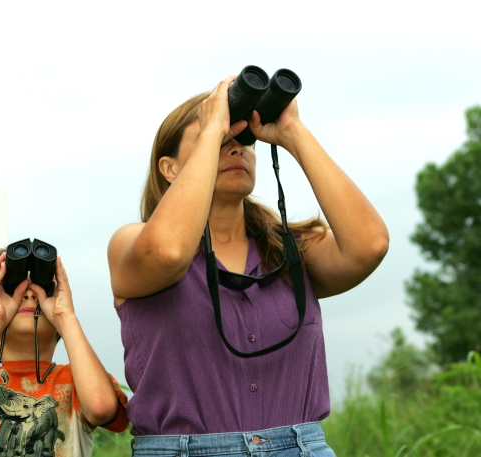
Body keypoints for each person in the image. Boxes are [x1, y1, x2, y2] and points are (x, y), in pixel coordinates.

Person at [107, 75, 389, 456]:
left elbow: (369, 245)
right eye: (222, 141)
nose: (236, 149)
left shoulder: (290, 251)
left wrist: (292, 131)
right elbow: (170, 252)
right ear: (169, 168)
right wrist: (212, 127)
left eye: (244, 141)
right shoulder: (131, 245)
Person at [0, 249, 129, 456]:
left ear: (60, 326)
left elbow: (101, 408)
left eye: (42, 289)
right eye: (11, 290)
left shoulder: (78, 382)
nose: (28, 294)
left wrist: (66, 317)